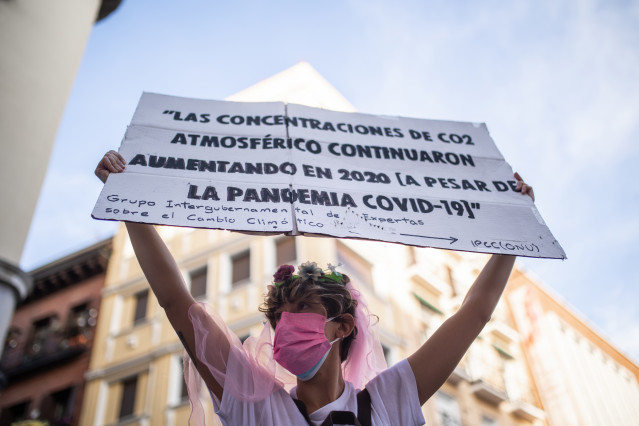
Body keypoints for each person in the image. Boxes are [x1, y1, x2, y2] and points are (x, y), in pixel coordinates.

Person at [95, 150, 535, 425]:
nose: (284, 324)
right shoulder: (255, 403)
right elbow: (177, 302)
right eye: (278, 315)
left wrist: (511, 232)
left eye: (301, 308)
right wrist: (129, 204)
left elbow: (473, 315)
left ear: (342, 327)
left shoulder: (389, 400)